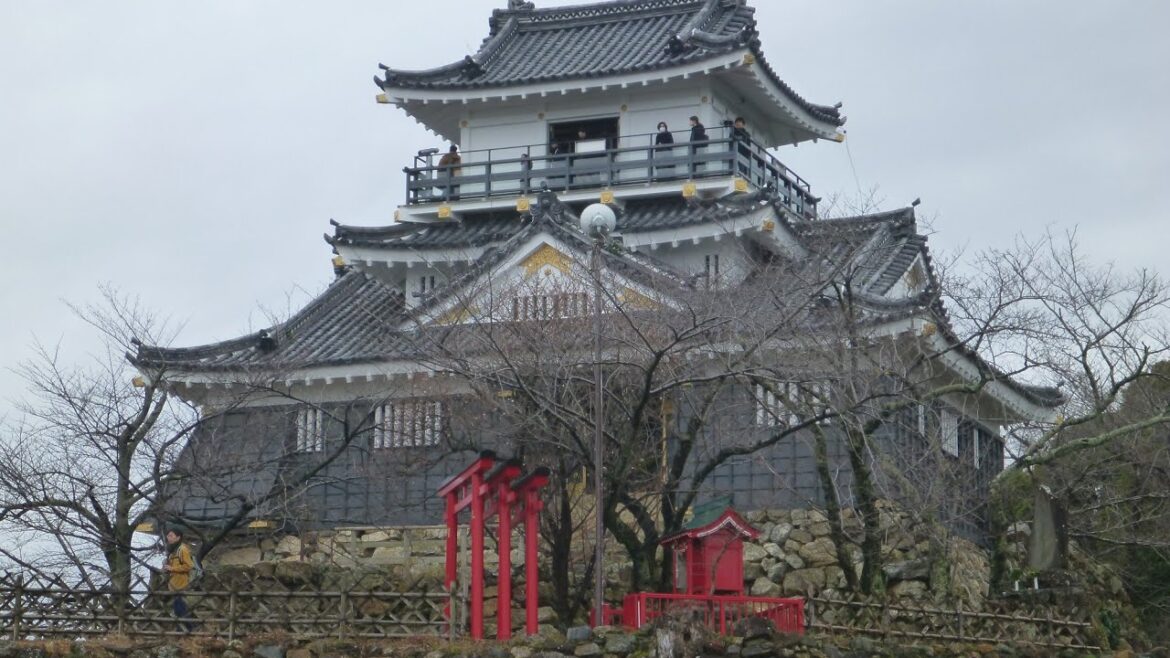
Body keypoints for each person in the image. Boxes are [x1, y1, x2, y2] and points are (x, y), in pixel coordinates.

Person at [163, 529, 197, 632]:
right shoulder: (173, 551)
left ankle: (188, 629)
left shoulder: (182, 549)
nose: (168, 538)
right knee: (178, 609)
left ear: (178, 537)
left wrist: (172, 569)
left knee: (180, 608)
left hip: (181, 584)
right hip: (174, 585)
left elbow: (189, 566)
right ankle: (183, 630)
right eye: (168, 535)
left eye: (171, 535)